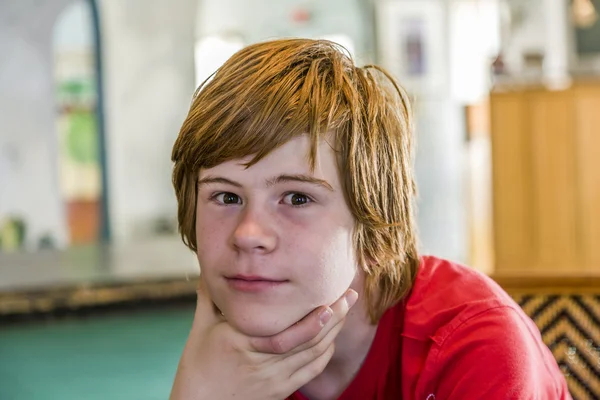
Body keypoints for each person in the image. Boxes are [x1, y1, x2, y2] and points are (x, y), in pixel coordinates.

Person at [169, 38, 571, 400]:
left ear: (374, 229)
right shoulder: (223, 366)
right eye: (226, 196)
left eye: (296, 197)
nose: (248, 235)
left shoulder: (475, 348)